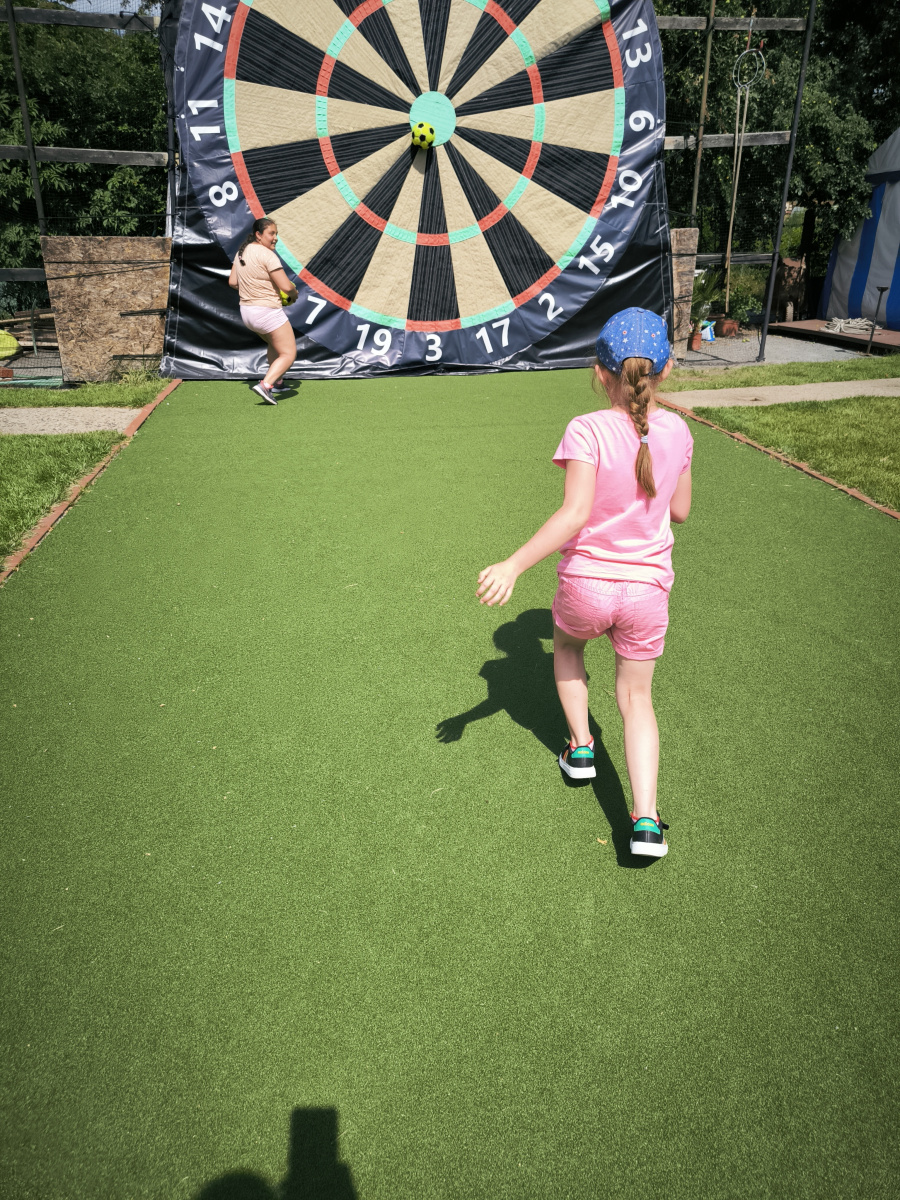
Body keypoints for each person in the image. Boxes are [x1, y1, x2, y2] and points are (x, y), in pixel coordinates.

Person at [476, 308, 693, 858]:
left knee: (569, 647)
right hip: (647, 590)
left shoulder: (587, 428)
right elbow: (681, 511)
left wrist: (513, 565)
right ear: (665, 370)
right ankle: (646, 822)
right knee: (637, 698)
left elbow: (575, 514)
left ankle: (580, 749)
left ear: (600, 373)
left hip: (587, 586)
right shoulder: (679, 430)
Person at [228, 217, 299, 404]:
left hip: (247, 313)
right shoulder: (267, 255)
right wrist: (294, 294)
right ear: (258, 235)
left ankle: (277, 381)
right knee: (288, 354)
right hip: (267, 312)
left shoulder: (242, 252)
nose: (275, 238)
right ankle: (266, 385)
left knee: (274, 344)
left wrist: (252, 288)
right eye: (271, 233)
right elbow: (286, 286)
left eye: (276, 234)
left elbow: (233, 282)